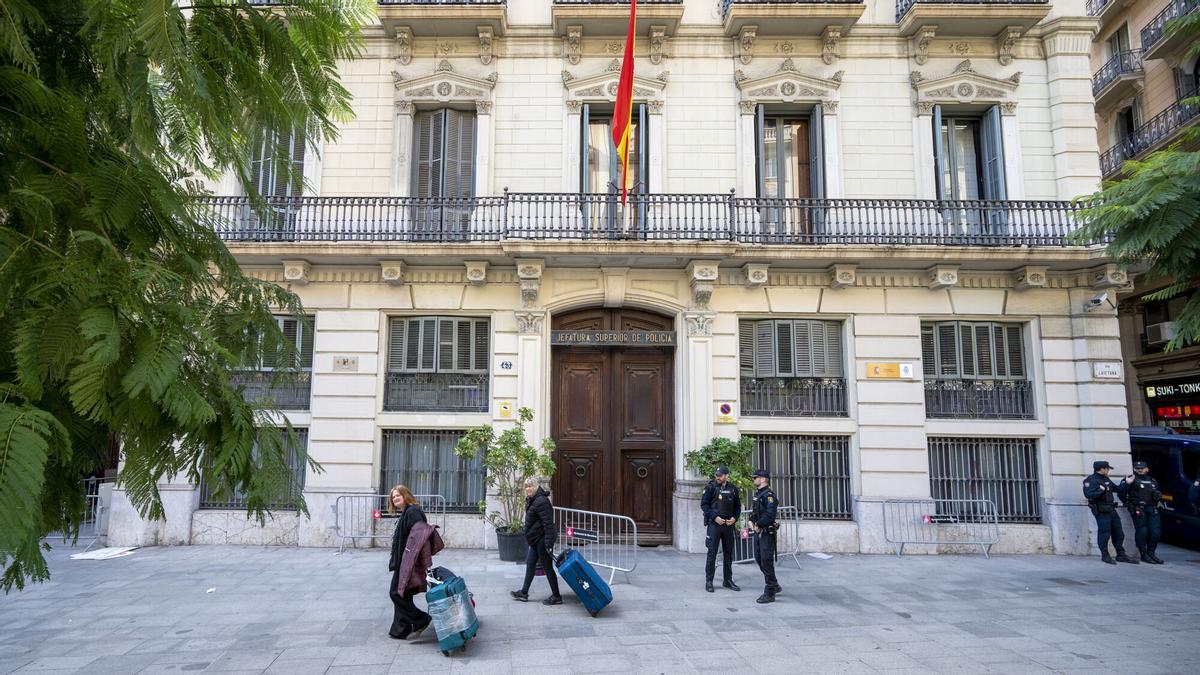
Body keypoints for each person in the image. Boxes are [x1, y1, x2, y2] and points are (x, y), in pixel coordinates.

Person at [387, 484, 432, 639]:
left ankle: (421, 620)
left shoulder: (412, 512)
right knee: (403, 594)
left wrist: (413, 560)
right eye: (393, 497)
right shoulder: (408, 511)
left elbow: (420, 536)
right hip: (404, 559)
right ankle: (400, 628)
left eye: (398, 495)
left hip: (407, 561)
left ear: (406, 495)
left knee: (395, 593)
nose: (395, 499)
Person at [511, 478, 563, 606]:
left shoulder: (541, 501)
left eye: (530, 486)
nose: (528, 489)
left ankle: (557, 596)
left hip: (542, 540)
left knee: (547, 568)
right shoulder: (533, 499)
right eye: (526, 487)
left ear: (535, 487)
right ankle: (524, 593)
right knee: (530, 564)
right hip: (535, 539)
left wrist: (548, 544)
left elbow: (548, 524)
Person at [1082, 461, 1137, 565]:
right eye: (1107, 468)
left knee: (1119, 533)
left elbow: (1116, 489)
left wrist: (1126, 482)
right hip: (1101, 511)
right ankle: (1105, 555)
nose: (1108, 470)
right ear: (1101, 469)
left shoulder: (1105, 478)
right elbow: (1089, 495)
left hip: (1111, 509)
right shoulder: (1091, 480)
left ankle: (1121, 555)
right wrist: (1100, 490)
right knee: (1104, 533)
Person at [700, 466, 741, 593]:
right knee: (712, 553)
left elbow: (737, 507)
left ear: (726, 476)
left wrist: (734, 518)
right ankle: (709, 581)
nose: (718, 477)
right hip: (715, 525)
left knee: (728, 553)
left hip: (728, 525)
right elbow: (704, 505)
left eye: (721, 475)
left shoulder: (733, 489)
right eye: (717, 475)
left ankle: (727, 580)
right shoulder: (710, 488)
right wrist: (714, 517)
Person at [749, 469, 780, 604]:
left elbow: (769, 515)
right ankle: (774, 584)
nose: (753, 480)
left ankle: (770, 592)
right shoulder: (758, 494)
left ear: (762, 479)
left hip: (766, 533)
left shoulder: (769, 496)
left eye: (755, 478)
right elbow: (755, 511)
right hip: (758, 532)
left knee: (766, 561)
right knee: (759, 559)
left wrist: (759, 525)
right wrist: (751, 521)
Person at [1125, 461, 1165, 564]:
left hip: (1152, 508)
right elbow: (1122, 493)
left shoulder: (1152, 480)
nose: (1140, 470)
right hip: (1139, 508)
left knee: (1155, 532)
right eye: (1137, 468)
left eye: (1142, 468)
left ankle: (1151, 553)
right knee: (1143, 532)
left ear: (1147, 469)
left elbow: (1156, 493)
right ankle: (1143, 554)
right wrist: (1127, 484)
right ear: (1134, 469)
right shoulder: (1130, 479)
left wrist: (1157, 495)